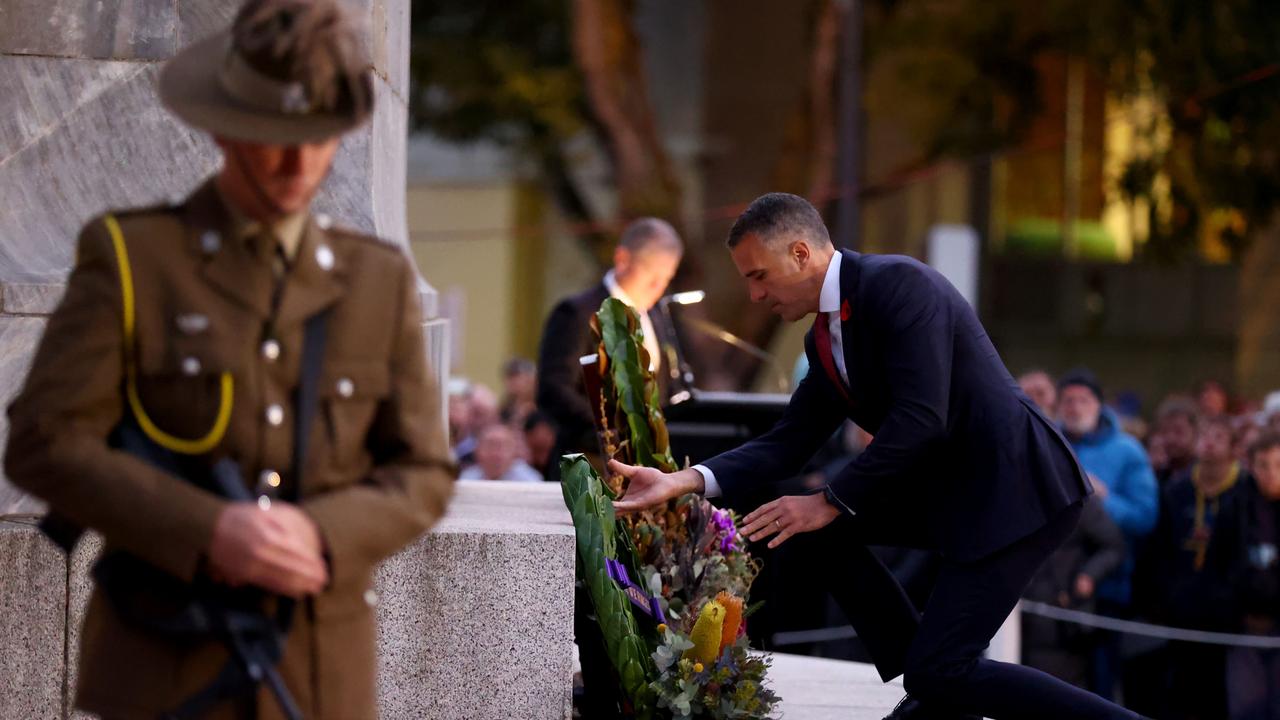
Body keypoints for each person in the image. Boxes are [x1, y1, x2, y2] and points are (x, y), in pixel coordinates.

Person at [3, 2, 457, 717]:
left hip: (316, 677)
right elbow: (42, 441)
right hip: (163, 667)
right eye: (272, 135)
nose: (296, 162)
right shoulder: (133, 260)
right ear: (221, 125)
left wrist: (321, 534)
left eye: (315, 136)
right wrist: (206, 530)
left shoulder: (378, 281)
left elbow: (424, 473)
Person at [610, 193, 1140, 719]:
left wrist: (831, 500)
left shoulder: (901, 285)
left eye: (758, 276)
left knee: (939, 665)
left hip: (1020, 489)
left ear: (801, 254)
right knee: (825, 542)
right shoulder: (823, 337)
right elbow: (788, 441)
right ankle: (930, 688)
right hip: (957, 493)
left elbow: (921, 417)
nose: (753, 296)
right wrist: (680, 482)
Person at [535, 218, 683, 479]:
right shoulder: (577, 313)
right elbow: (553, 389)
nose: (658, 289)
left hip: (648, 470)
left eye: (666, 279)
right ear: (623, 259)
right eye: (652, 277)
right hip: (588, 467)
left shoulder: (658, 315)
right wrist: (615, 432)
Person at [1057, 369, 1158, 700]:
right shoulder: (1047, 443)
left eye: (1083, 400)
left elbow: (1145, 517)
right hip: (1049, 591)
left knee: (1100, 689)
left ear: (1100, 405)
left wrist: (1104, 500)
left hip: (1108, 590)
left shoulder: (1128, 451)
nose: (1074, 407)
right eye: (1067, 400)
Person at [1145, 414, 1245, 720]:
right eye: (1205, 436)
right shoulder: (1176, 490)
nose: (1209, 444)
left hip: (1228, 612)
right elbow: (1160, 549)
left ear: (1233, 448)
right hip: (1182, 605)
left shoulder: (1244, 490)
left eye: (1218, 437)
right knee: (1181, 689)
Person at [1022, 495, 1126, 689]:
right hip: (1019, 615)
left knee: (1060, 692)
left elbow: (1114, 545)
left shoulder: (1076, 497)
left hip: (1065, 617)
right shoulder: (1017, 494)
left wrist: (1088, 575)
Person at [1229, 432, 1280, 720]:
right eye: (1263, 465)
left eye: (1278, 464)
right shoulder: (1236, 507)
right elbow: (1221, 566)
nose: (1271, 473)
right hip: (1243, 626)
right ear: (1250, 466)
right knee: (1246, 707)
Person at [459, 424, 543, 482]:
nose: (495, 454)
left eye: (503, 447)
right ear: (477, 451)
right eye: (490, 446)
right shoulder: (465, 480)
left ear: (514, 452)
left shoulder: (530, 481)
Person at [1152, 395, 1199, 485]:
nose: (1170, 439)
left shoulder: (1204, 477)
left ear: (1195, 432)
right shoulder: (1157, 475)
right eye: (1164, 431)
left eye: (1178, 432)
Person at [499, 357, 538, 428]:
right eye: (509, 377)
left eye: (516, 376)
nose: (512, 382)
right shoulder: (505, 409)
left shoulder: (543, 406)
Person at [522, 410, 559, 480]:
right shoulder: (519, 466)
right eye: (538, 433)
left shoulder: (564, 465)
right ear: (527, 435)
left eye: (548, 434)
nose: (543, 440)